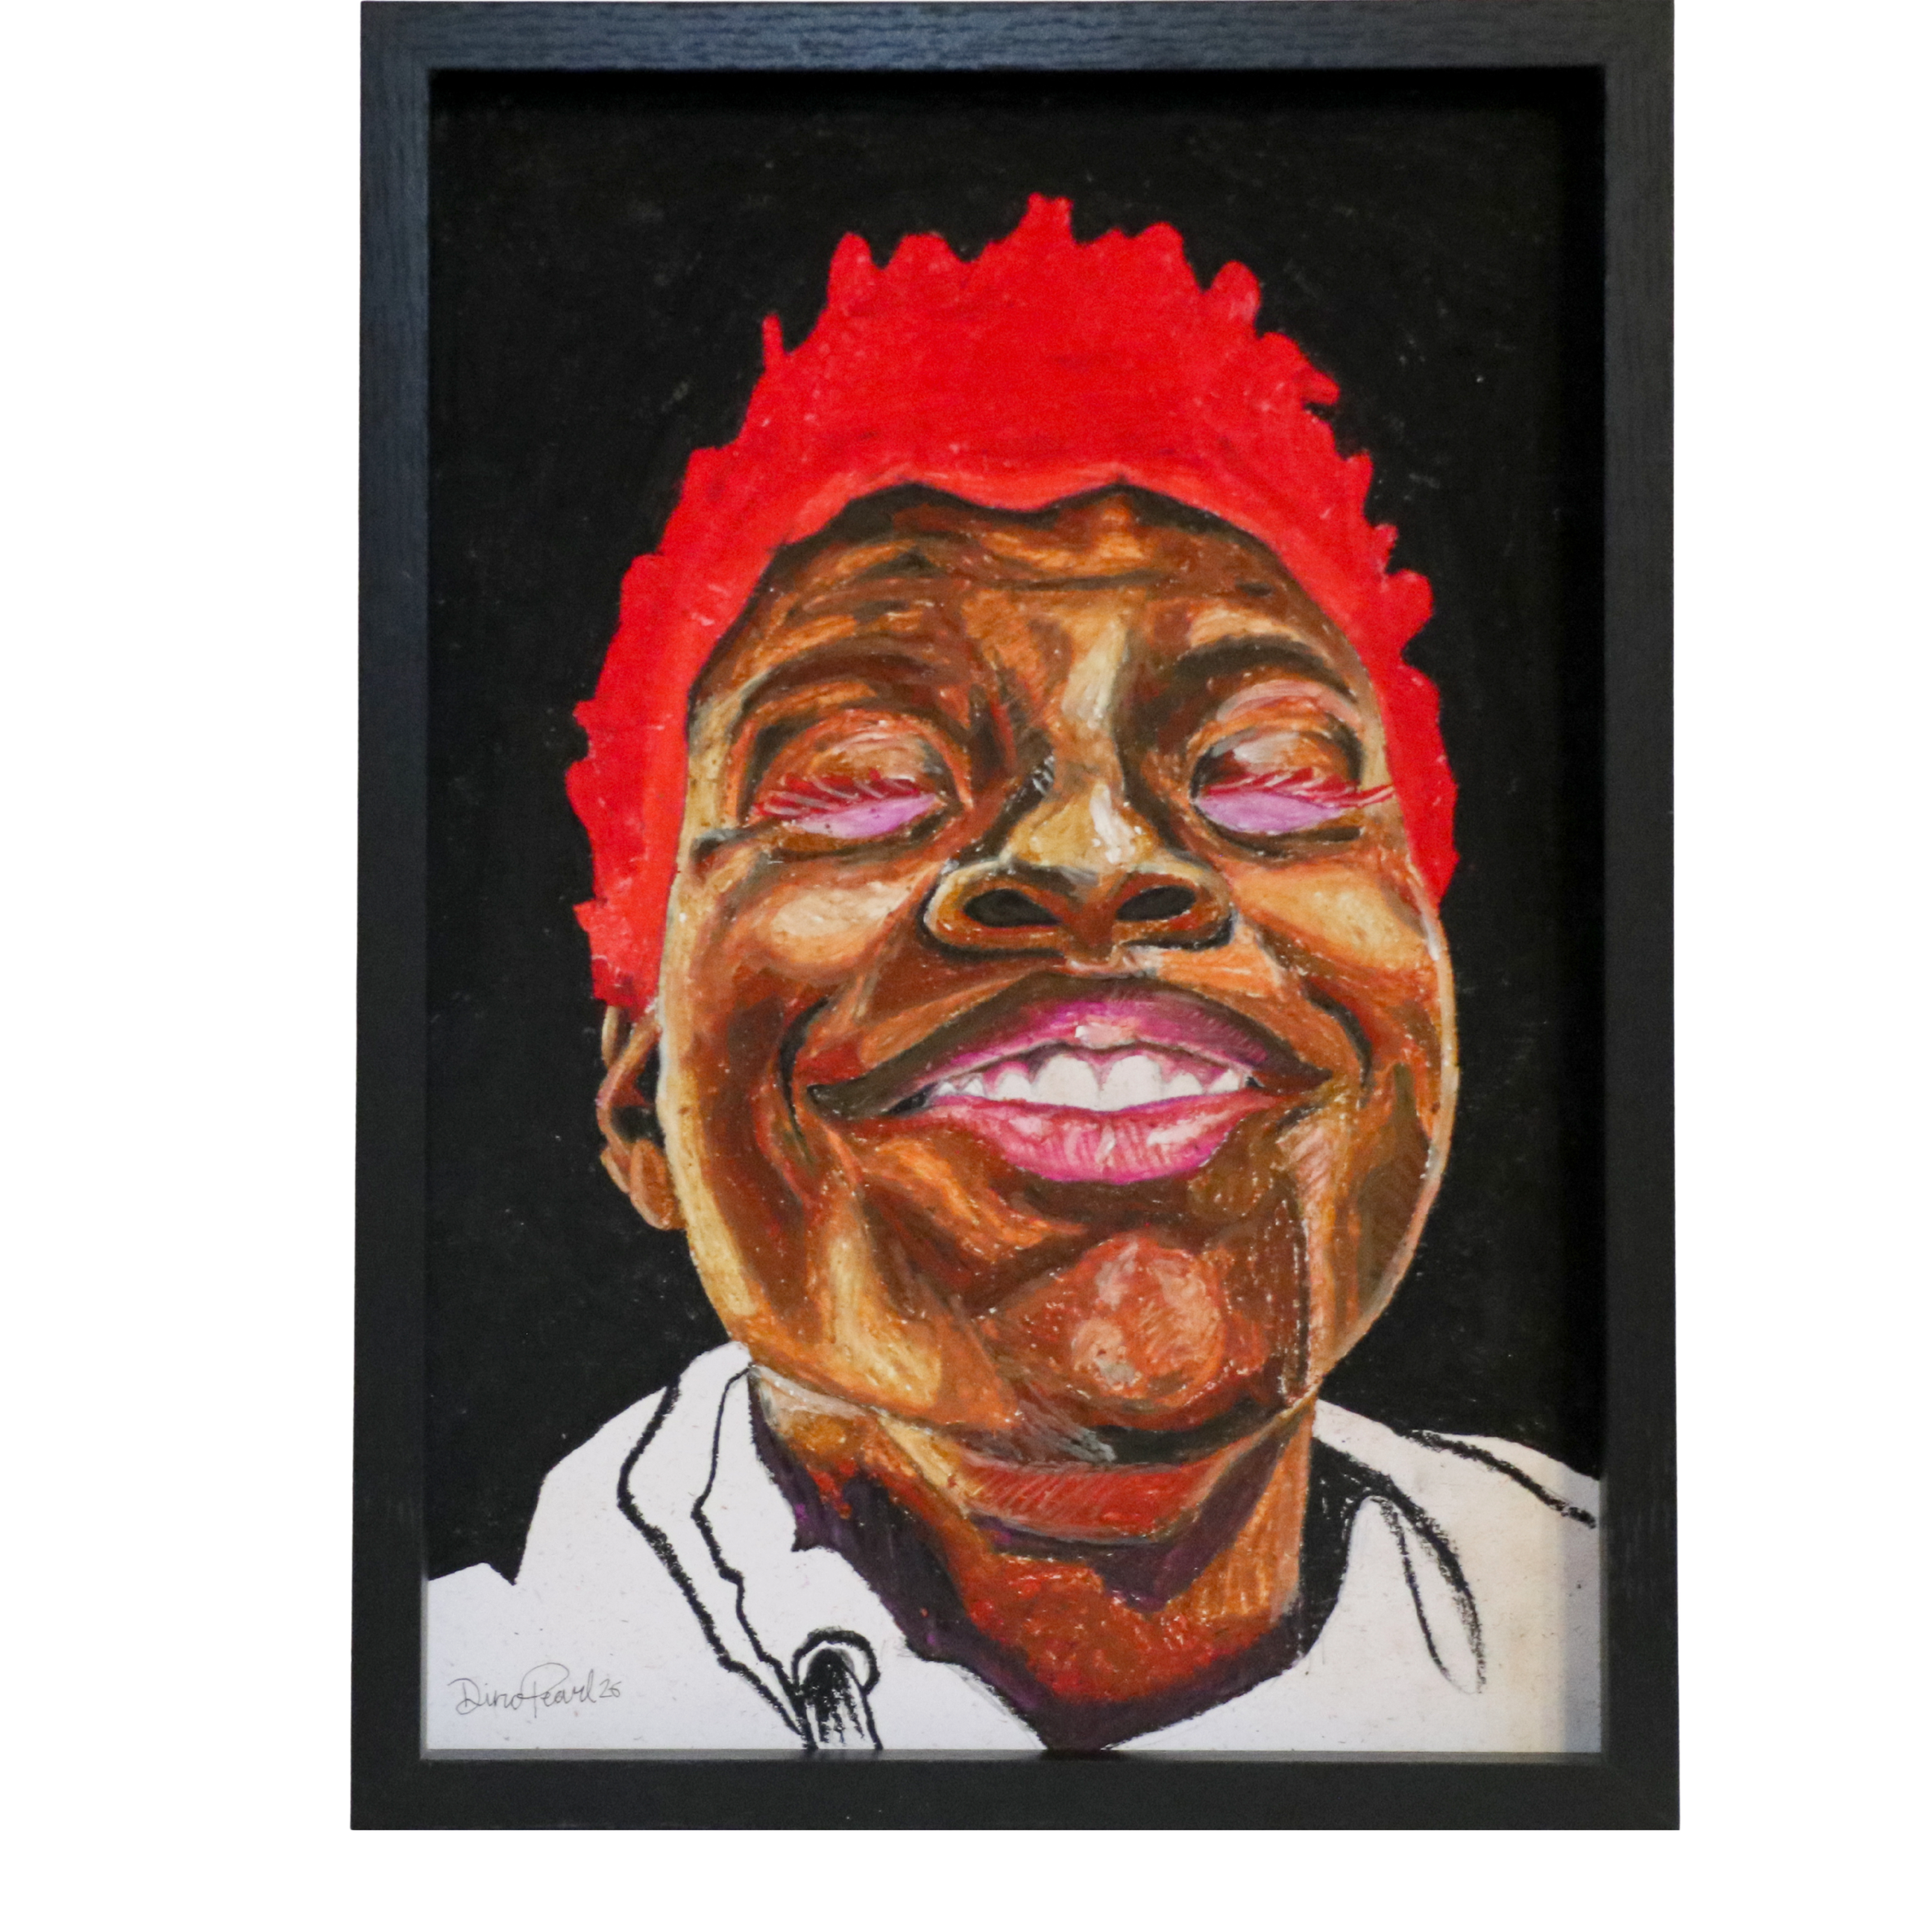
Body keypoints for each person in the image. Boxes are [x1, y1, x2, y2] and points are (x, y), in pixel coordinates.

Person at [426, 197, 1598, 1755]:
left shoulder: (1630, 1634)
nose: (1095, 856)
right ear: (641, 1105)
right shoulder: (457, 1716)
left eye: (1268, 767)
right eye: (861, 775)